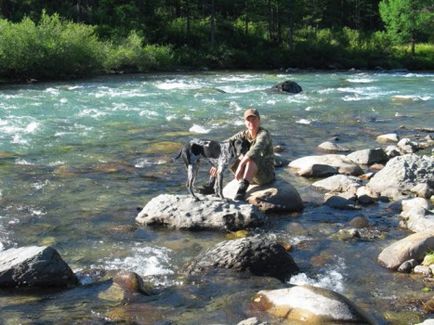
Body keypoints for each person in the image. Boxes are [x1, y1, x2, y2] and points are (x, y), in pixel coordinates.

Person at [200, 108, 275, 200]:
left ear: (259, 120)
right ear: (245, 122)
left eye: (254, 119)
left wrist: (240, 165)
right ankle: (211, 185)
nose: (251, 122)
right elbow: (224, 144)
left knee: (251, 158)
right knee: (228, 154)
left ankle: (241, 191)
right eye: (248, 120)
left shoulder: (264, 134)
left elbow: (255, 149)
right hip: (249, 176)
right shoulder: (243, 134)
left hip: (265, 175)